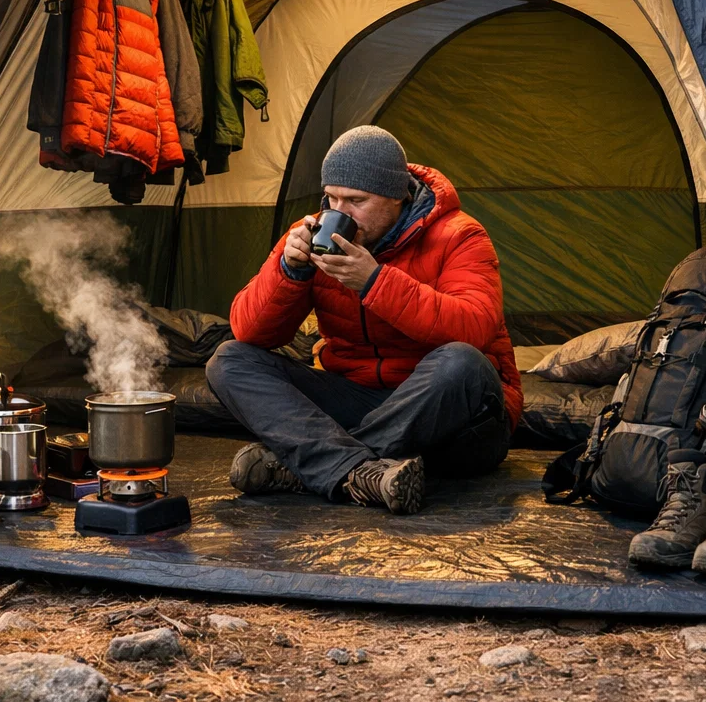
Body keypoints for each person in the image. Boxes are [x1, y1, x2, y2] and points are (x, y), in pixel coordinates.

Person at [205, 125, 521, 514]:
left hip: (456, 419)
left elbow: (475, 326)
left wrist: (374, 281)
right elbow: (250, 330)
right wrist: (290, 269)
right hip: (360, 397)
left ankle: (314, 467)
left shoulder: (460, 235)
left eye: (356, 200)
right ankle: (362, 472)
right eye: (332, 198)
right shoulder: (314, 231)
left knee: (462, 362)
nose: (340, 213)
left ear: (398, 197)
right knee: (231, 359)